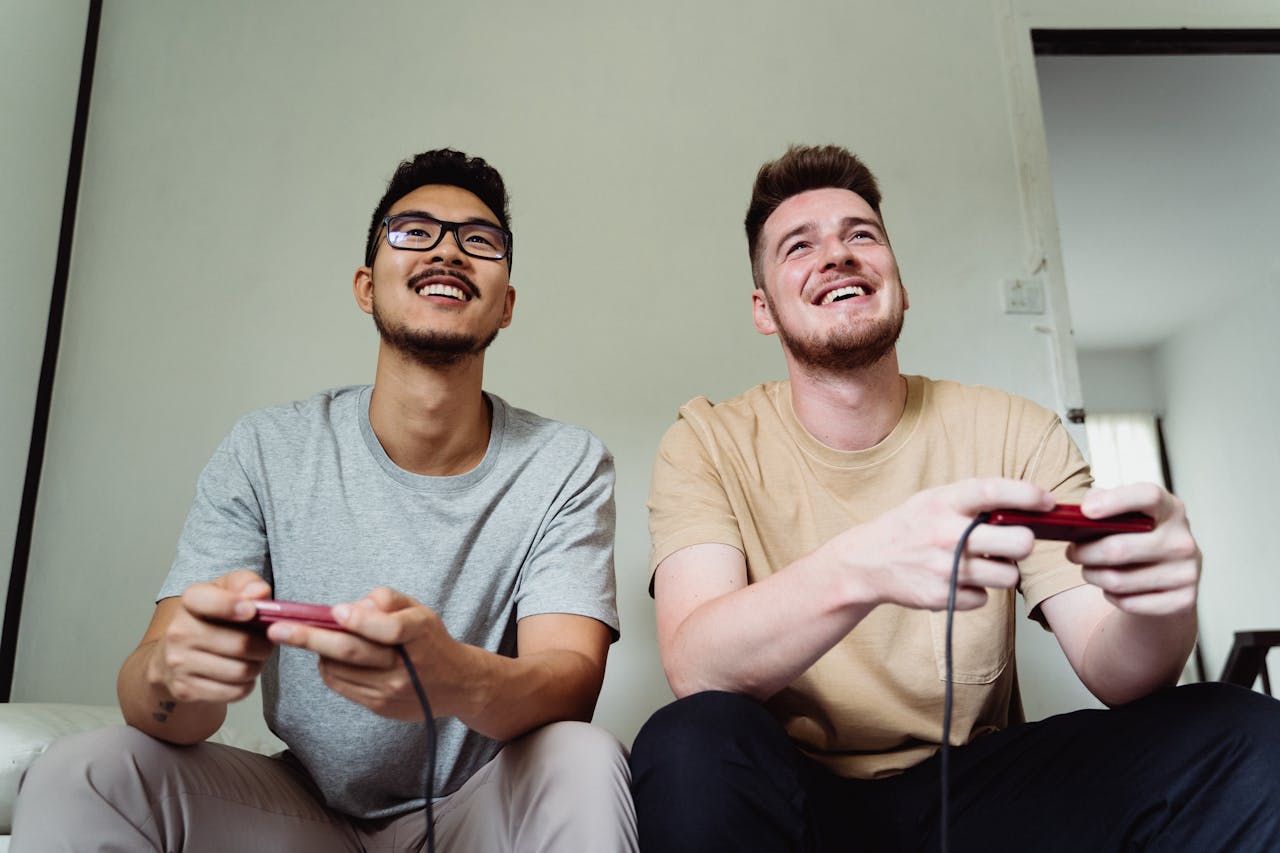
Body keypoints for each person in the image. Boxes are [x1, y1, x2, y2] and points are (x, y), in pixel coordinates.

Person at [629, 144, 1280, 852]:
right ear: (764, 308)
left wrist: (1159, 603)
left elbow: (1115, 667)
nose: (838, 254)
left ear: (900, 286)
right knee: (687, 739)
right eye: (799, 245)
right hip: (796, 799)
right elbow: (697, 665)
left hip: (973, 790)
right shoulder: (706, 441)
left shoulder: (1011, 428)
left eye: (861, 235)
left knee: (1241, 731)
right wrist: (864, 565)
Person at [13, 148, 638, 852]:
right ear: (366, 286)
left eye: (480, 241)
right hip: (302, 812)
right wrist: (174, 675)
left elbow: (569, 682)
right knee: (78, 773)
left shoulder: (565, 463)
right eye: (414, 231)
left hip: (477, 811)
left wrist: (453, 677)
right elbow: (164, 711)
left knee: (583, 757)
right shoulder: (268, 448)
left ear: (507, 304)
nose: (448, 251)